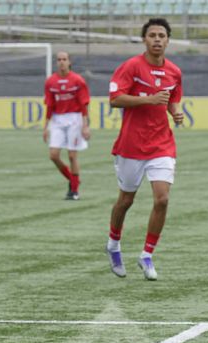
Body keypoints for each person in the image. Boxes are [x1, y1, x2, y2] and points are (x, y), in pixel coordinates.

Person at [105, 18, 184, 281]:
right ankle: (114, 244)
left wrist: (176, 113)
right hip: (131, 145)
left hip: (161, 144)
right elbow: (115, 99)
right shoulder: (131, 67)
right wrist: (148, 99)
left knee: (162, 198)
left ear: (168, 40)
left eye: (162, 35)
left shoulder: (174, 71)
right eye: (152, 35)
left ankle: (147, 254)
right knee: (125, 201)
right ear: (144, 40)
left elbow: (173, 100)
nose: (158, 40)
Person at [43, 51, 90, 200]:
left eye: (64, 59)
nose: (61, 62)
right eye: (59, 59)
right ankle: (73, 179)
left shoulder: (78, 80)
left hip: (74, 119)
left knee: (71, 155)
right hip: (57, 120)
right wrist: (46, 127)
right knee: (53, 155)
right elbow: (49, 105)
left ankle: (74, 191)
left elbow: (84, 104)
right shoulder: (50, 82)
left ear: (69, 62)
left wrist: (85, 125)